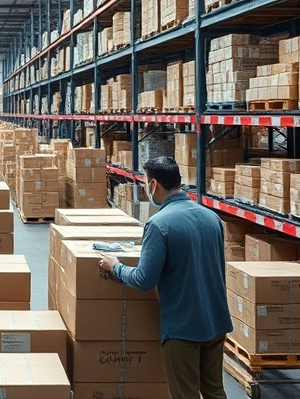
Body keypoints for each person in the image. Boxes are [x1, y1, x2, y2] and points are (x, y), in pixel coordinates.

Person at [97, 156, 232, 399]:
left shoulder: (159, 224)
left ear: (154, 185)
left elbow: (144, 279)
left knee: (185, 394)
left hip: (183, 328)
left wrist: (116, 267)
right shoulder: (212, 218)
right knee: (214, 390)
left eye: (145, 183)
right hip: (216, 320)